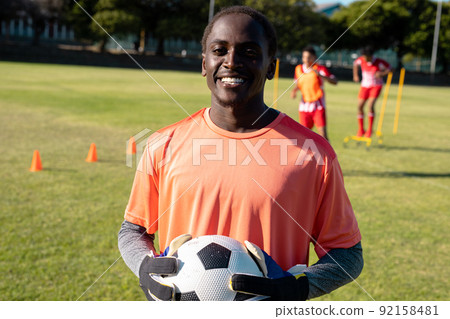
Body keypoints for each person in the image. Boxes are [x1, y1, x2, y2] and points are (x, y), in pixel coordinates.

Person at [118, 6, 363, 301]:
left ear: (271, 66)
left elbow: (347, 255)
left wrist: (297, 286)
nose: (231, 62)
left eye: (249, 52)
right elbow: (133, 230)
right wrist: (145, 266)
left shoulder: (313, 155)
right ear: (204, 63)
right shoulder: (163, 143)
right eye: (219, 50)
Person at [290, 47, 338, 140]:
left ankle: (328, 155)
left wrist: (321, 76)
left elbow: (335, 81)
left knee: (323, 135)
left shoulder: (320, 69)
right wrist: (294, 90)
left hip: (318, 106)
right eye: (304, 57)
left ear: (314, 57)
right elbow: (300, 84)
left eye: (309, 57)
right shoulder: (298, 69)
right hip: (304, 107)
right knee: (304, 136)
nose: (306, 60)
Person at [353, 46, 392, 137]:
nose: (364, 58)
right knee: (360, 106)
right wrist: (355, 75)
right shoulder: (362, 59)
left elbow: (390, 69)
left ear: (370, 56)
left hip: (376, 86)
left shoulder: (379, 62)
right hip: (364, 86)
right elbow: (355, 64)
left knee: (370, 105)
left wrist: (382, 74)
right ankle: (361, 129)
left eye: (366, 57)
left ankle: (370, 129)